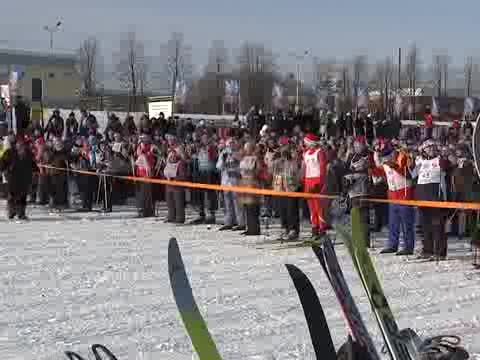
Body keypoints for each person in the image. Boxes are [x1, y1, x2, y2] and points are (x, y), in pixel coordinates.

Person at [371, 143, 416, 255]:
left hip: (404, 194)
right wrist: (370, 168)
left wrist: (395, 166)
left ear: (393, 152)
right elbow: (380, 172)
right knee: (393, 223)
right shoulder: (385, 163)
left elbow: (409, 174)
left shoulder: (402, 157)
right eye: (384, 155)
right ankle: (392, 244)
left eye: (388, 154)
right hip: (392, 195)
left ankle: (408, 246)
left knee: (406, 223)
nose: (386, 157)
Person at [414, 139, 450, 260]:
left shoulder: (440, 159)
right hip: (422, 197)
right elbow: (412, 175)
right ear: (423, 150)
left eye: (433, 147)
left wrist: (444, 158)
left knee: (438, 226)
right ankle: (427, 250)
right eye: (428, 147)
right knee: (425, 226)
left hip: (436, 197)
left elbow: (447, 167)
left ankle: (440, 252)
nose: (431, 149)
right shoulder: (420, 161)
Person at [0, 136, 37, 220]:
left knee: (22, 197)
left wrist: (36, 170)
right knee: (11, 196)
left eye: (23, 145)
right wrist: (2, 169)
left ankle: (21, 213)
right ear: (16, 145)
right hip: (13, 177)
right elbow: (2, 162)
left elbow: (33, 164)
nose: (21, 146)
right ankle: (11, 212)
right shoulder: (9, 152)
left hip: (24, 178)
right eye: (19, 144)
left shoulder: (28, 153)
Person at [302, 133, 328, 239]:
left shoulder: (320, 152)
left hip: (317, 180)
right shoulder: (306, 153)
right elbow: (304, 169)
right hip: (308, 181)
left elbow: (322, 168)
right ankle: (314, 228)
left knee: (319, 207)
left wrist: (321, 183)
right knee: (312, 208)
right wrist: (304, 182)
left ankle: (322, 228)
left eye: (306, 142)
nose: (305, 144)